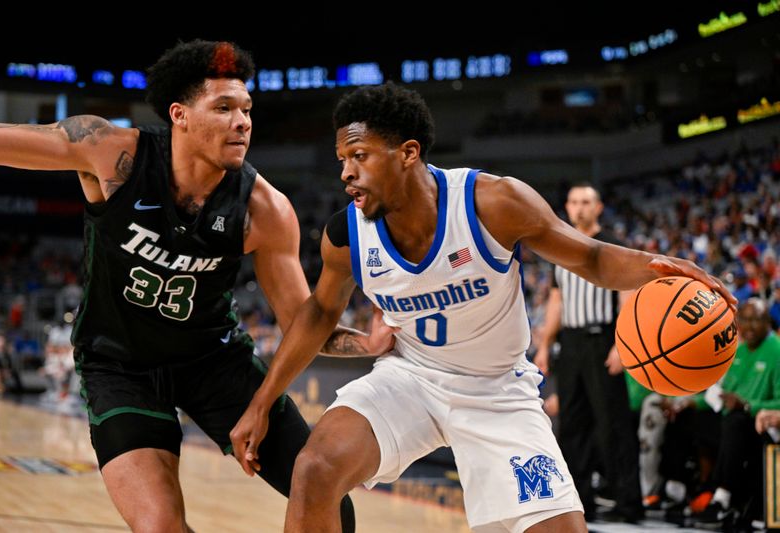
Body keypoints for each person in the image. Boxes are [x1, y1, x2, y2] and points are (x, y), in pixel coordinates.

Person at [229, 82, 736, 533]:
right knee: (314, 468)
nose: (346, 173)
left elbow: (594, 259)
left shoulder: (491, 203)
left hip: (497, 391)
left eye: (358, 155)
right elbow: (317, 313)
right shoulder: (345, 235)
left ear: (408, 152)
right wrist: (261, 403)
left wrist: (662, 265)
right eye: (342, 159)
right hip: (410, 377)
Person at [0, 40, 395, 532]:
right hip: (119, 364)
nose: (241, 121)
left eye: (246, 109)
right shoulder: (110, 153)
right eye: (223, 108)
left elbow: (305, 325)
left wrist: (366, 343)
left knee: (326, 491)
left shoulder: (265, 209)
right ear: (178, 114)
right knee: (160, 527)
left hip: (214, 363)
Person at [533, 183, 642, 522]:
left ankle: (627, 502)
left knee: (614, 425)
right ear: (566, 206)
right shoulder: (560, 246)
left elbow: (629, 293)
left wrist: (622, 344)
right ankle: (580, 502)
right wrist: (546, 344)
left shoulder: (612, 245)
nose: (579, 208)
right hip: (572, 343)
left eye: (586, 202)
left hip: (603, 340)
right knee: (573, 426)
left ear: (598, 208)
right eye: (575, 202)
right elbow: (557, 299)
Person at [696, 298, 780, 529]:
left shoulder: (777, 351)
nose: (749, 326)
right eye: (744, 320)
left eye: (756, 320)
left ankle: (723, 496)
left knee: (735, 423)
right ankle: (680, 490)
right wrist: (691, 404)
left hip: (765, 426)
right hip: (734, 422)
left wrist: (747, 405)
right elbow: (722, 394)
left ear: (767, 322)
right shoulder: (738, 352)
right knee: (690, 421)